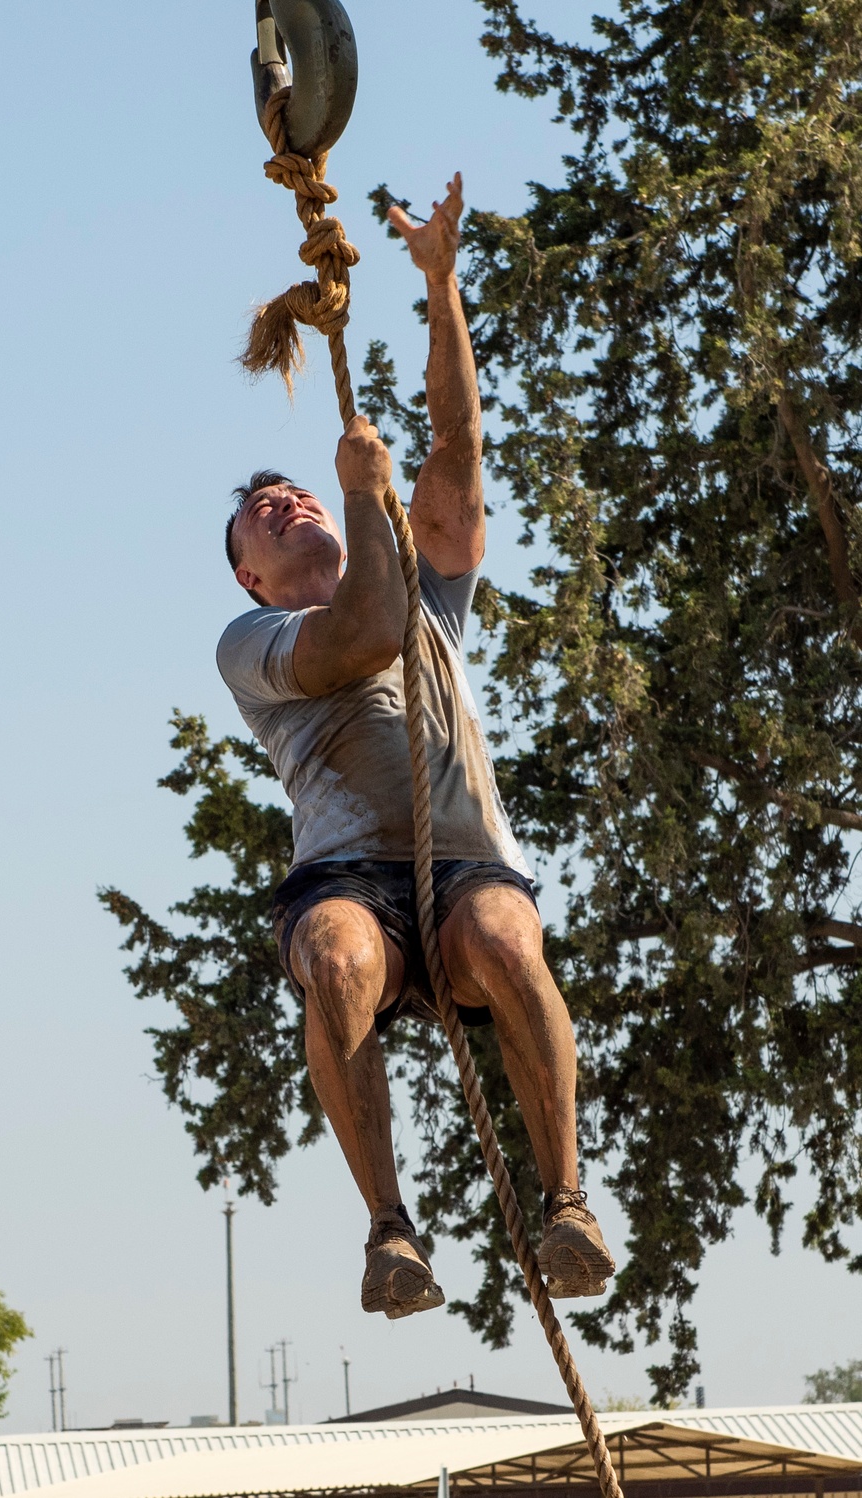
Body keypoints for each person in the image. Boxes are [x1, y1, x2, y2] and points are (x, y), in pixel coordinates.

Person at [217, 173, 614, 1320]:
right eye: (263, 513)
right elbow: (361, 634)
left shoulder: (433, 594)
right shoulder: (255, 643)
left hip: (463, 865)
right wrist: (357, 490)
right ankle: (390, 1230)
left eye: (298, 495)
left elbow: (455, 442)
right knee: (336, 961)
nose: (288, 503)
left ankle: (567, 1202)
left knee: (501, 930)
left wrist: (441, 288)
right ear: (249, 571)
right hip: (348, 878)